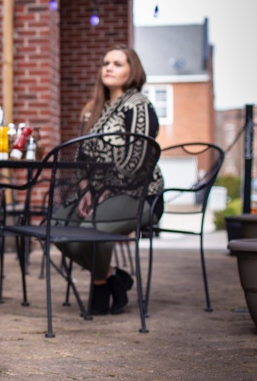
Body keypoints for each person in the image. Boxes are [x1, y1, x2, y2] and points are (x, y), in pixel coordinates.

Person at [59, 44, 165, 315]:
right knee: (57, 225)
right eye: (106, 62)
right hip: (99, 193)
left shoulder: (138, 105)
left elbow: (136, 164)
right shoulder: (95, 109)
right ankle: (113, 277)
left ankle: (100, 287)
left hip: (139, 196)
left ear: (133, 71)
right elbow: (82, 159)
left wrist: (101, 192)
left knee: (95, 225)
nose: (108, 67)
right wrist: (86, 191)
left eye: (117, 63)